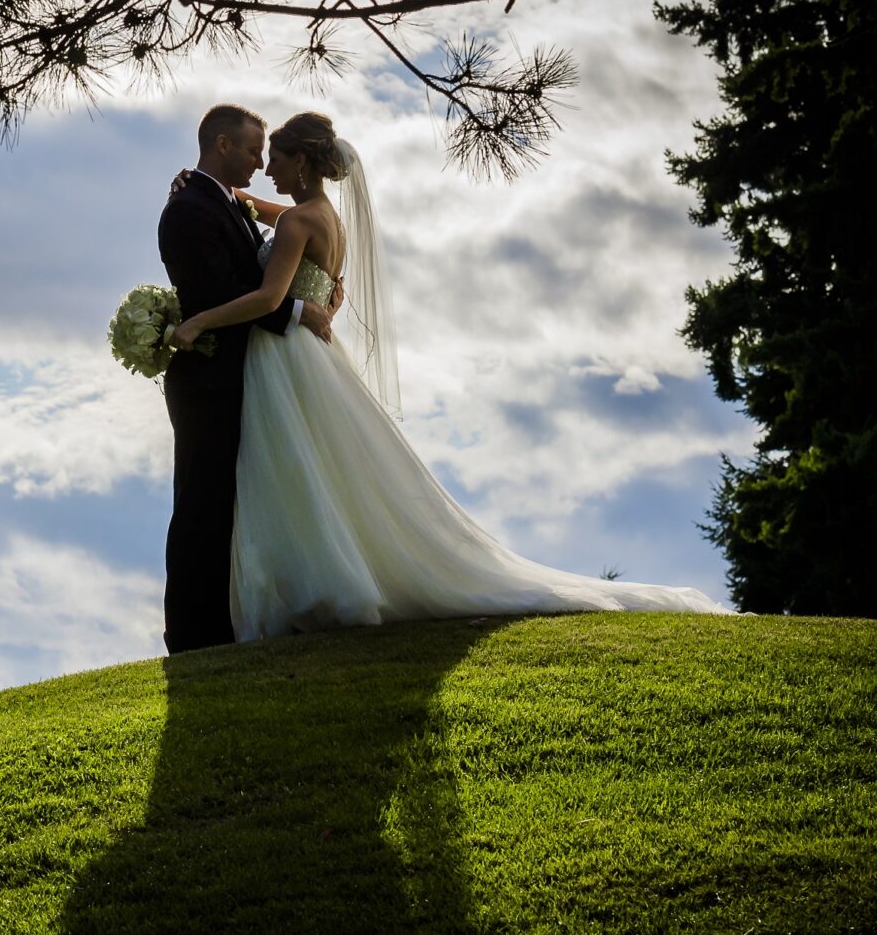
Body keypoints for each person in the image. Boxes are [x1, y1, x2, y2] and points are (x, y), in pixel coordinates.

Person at [168, 111, 727, 641]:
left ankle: (315, 584)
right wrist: (238, 198)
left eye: (277, 159)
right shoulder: (326, 218)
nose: (268, 168)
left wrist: (197, 322)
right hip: (312, 356)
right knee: (324, 469)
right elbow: (284, 232)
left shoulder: (295, 220)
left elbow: (269, 296)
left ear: (302, 164)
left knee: (296, 468)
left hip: (286, 356)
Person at [157, 105, 335, 651]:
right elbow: (219, 291)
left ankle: (227, 622)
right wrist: (303, 307)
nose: (262, 164)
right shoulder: (191, 208)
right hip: (209, 379)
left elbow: (265, 274)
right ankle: (192, 635)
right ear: (224, 145)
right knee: (201, 505)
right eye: (256, 151)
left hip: (254, 369)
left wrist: (313, 296)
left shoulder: (236, 204)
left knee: (240, 500)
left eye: (271, 155)